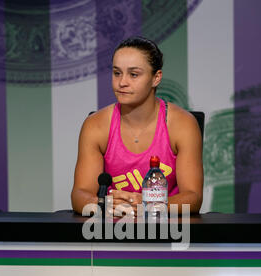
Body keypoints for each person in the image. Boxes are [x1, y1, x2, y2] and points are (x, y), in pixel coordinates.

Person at [71, 36, 203, 216]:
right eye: (117, 73)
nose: (122, 82)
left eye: (133, 74)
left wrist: (147, 205)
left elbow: (193, 198)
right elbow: (80, 194)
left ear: (156, 78)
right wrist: (104, 204)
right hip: (112, 232)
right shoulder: (96, 125)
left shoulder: (183, 125)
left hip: (166, 232)